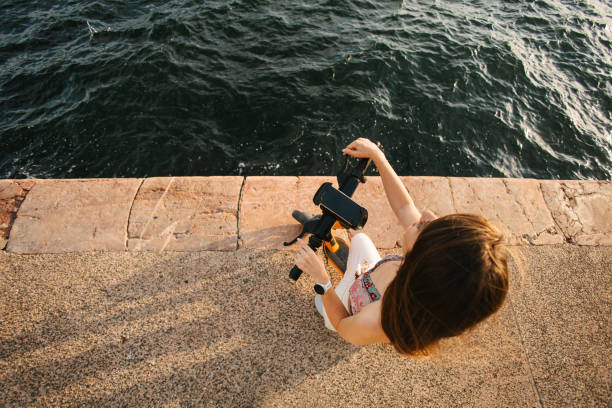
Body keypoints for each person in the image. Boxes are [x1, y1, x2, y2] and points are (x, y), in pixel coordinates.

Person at [294, 138, 509, 356]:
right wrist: (378, 157)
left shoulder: (376, 320)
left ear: (420, 259)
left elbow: (342, 325)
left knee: (321, 306)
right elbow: (405, 206)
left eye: (425, 226)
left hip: (348, 307)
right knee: (360, 239)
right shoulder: (425, 273)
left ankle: (335, 271)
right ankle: (341, 252)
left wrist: (323, 280)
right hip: (369, 274)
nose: (427, 214)